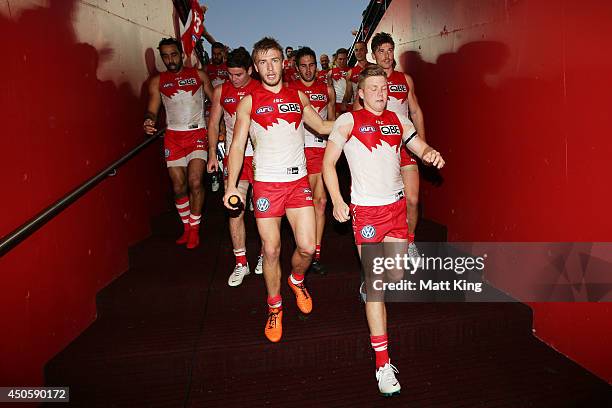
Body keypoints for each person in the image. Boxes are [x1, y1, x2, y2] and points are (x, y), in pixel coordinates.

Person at [322, 65, 444, 396]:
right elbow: (327, 164)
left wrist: (429, 152)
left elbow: (416, 146)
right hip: (367, 213)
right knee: (377, 288)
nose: (380, 92)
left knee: (396, 276)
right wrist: (336, 199)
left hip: (396, 209)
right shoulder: (348, 122)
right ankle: (382, 363)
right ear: (360, 92)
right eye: (373, 87)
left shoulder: (398, 120)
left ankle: (369, 282)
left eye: (383, 87)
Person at [223, 37, 334, 343]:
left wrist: (357, 117)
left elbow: (323, 127)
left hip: (297, 183)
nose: (269, 68)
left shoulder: (298, 96)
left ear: (282, 64)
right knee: (271, 250)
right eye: (262, 62)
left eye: (274, 60)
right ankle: (275, 307)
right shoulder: (248, 101)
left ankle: (297, 279)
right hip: (266, 186)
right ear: (255, 68)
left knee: (308, 248)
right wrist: (231, 185)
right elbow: (236, 146)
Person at [354, 32, 426, 259]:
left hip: (405, 147)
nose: (386, 56)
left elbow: (415, 111)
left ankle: (410, 241)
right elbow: (357, 120)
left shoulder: (405, 79)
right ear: (373, 55)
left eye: (389, 50)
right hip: (379, 152)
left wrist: (422, 144)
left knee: (412, 199)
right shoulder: (366, 82)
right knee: (382, 202)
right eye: (381, 51)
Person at [143, 37, 214, 249]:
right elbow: (152, 109)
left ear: (181, 54)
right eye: (165, 56)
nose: (170, 59)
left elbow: (215, 101)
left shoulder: (198, 75)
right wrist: (149, 120)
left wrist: (218, 124)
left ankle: (195, 229)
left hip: (197, 135)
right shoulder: (157, 82)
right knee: (178, 187)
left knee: (194, 182)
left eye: (174, 54)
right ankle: (186, 227)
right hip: (173, 137)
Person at [207, 47, 264, 286]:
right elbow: (213, 124)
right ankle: (241, 263)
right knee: (234, 209)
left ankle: (264, 256)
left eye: (239, 74)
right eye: (230, 74)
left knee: (264, 212)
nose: (234, 79)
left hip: (262, 159)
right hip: (234, 158)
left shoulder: (261, 90)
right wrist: (212, 154)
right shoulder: (222, 90)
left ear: (250, 70)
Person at [289, 47, 336, 274]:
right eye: (304, 65)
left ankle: (315, 253)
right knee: (300, 204)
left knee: (321, 202)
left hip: (321, 150)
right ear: (297, 68)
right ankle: (302, 248)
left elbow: (332, 121)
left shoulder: (327, 89)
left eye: (312, 64)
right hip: (298, 153)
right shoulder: (291, 91)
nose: (308, 69)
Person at [327, 48, 351, 117]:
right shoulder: (330, 72)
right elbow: (329, 91)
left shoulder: (352, 71)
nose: (342, 61)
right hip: (336, 104)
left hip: (350, 104)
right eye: (340, 59)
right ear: (336, 59)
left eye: (344, 59)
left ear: (347, 58)